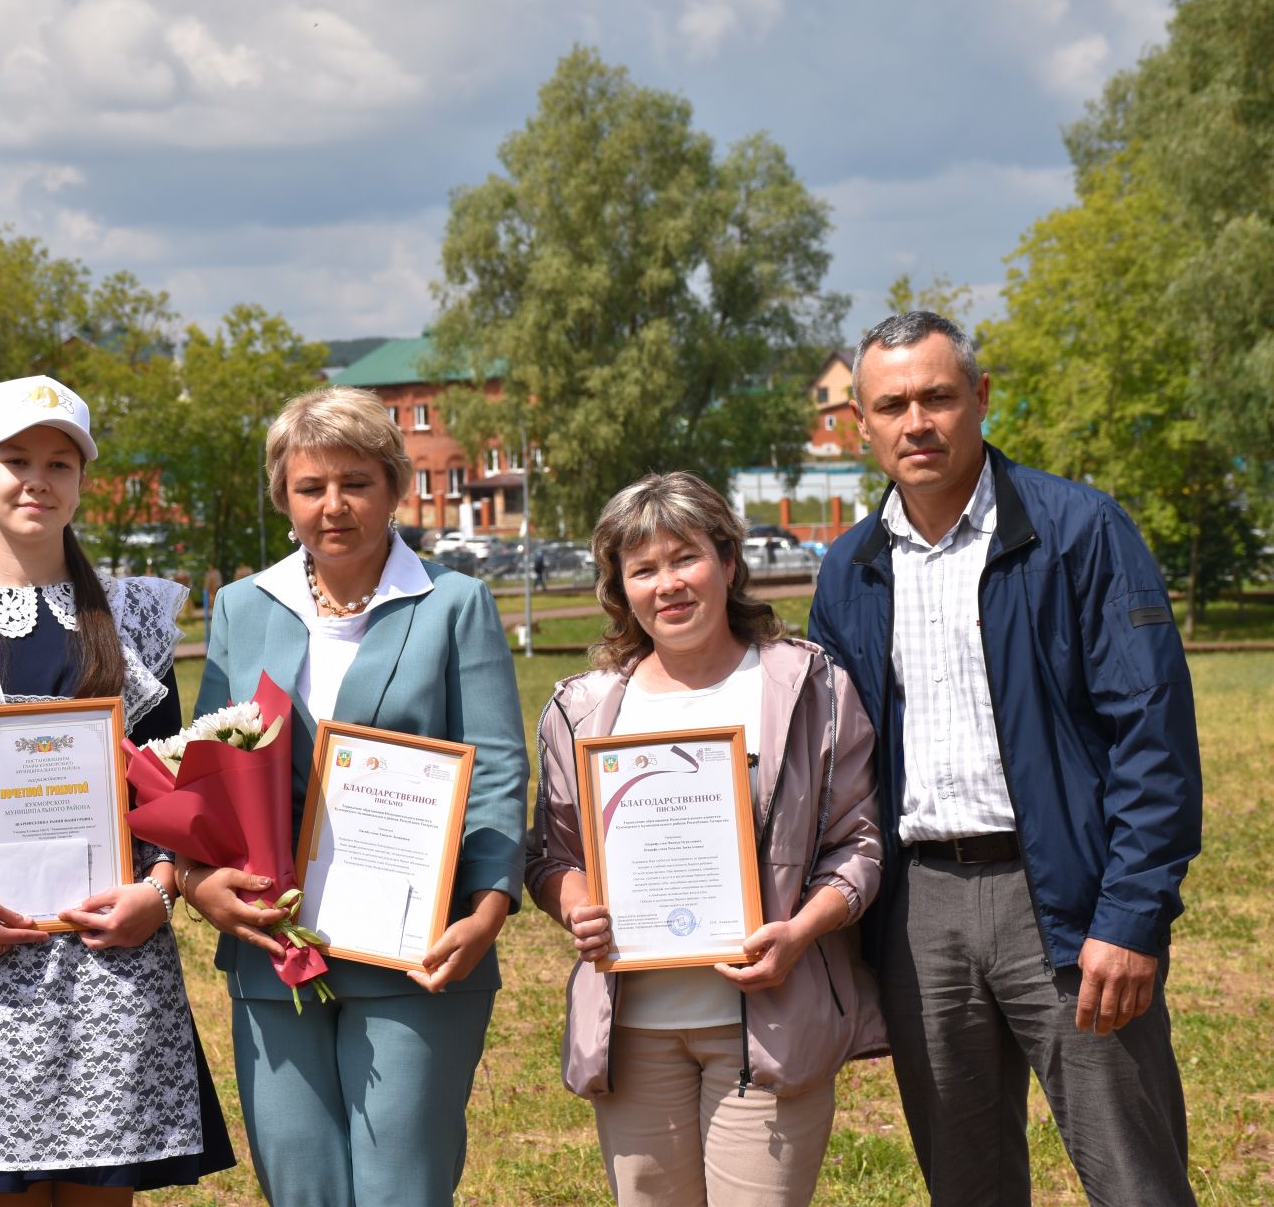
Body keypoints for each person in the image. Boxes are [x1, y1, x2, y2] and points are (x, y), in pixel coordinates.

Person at [807, 311, 1202, 1206]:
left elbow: (1154, 737)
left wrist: (1132, 916)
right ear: (860, 424)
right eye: (892, 404)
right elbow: (831, 764)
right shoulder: (849, 571)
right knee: (966, 1185)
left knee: (1135, 1180)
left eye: (939, 397)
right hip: (920, 917)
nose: (919, 422)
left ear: (980, 398)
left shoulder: (1081, 531)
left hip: (1064, 900)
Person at [0, 374, 234, 1204]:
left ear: (81, 482)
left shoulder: (138, 620)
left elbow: (173, 793)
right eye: (15, 459)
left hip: (115, 954)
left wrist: (159, 892)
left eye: (59, 463)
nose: (37, 480)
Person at [189, 385, 529, 1207]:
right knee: (298, 1181)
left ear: (394, 487)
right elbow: (201, 771)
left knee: (398, 1188)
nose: (332, 506)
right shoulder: (241, 607)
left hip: (418, 952)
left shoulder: (454, 604)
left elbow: (495, 771)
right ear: (284, 496)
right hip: (277, 949)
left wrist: (487, 911)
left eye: (356, 483)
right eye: (310, 487)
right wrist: (203, 889)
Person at [525, 472, 885, 1205]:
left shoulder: (810, 686)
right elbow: (551, 854)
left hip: (769, 1024)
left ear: (727, 560)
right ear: (619, 588)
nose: (669, 585)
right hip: (634, 1034)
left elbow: (861, 844)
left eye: (685, 557)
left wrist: (800, 931)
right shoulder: (582, 710)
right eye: (643, 569)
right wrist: (576, 904)